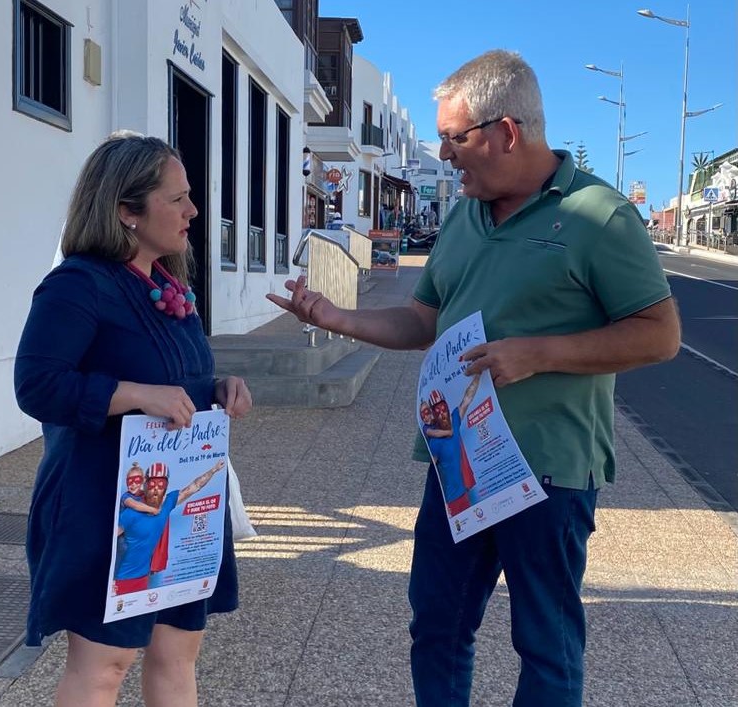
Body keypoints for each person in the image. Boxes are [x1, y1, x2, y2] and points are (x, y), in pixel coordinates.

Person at [267, 50, 680, 707]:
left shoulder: (597, 215)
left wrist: (538, 354)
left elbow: (659, 334)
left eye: (454, 138)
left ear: (506, 132)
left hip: (549, 470)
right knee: (437, 625)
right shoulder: (463, 215)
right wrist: (335, 316)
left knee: (545, 645)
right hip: (457, 459)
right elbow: (421, 320)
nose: (444, 154)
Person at [15, 131, 252, 707]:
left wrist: (217, 388)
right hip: (103, 503)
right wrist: (134, 394)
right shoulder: (77, 285)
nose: (193, 211)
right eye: (177, 198)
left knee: (178, 654)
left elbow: (171, 377)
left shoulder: (170, 287)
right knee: (105, 666)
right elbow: (37, 385)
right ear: (127, 210)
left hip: (181, 506)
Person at [114, 459, 225, 595]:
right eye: (152, 484)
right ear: (145, 485)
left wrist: (213, 470)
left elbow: (195, 486)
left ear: (165, 488)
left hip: (143, 577)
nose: (156, 489)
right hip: (121, 578)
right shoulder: (131, 513)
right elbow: (109, 541)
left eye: (161, 485)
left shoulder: (168, 503)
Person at [424, 375, 480, 516]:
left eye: (443, 409)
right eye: (438, 411)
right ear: (434, 415)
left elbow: (467, 399)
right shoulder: (435, 442)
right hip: (452, 499)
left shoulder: (455, 420)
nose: (442, 414)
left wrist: (478, 375)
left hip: (465, 492)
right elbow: (434, 474)